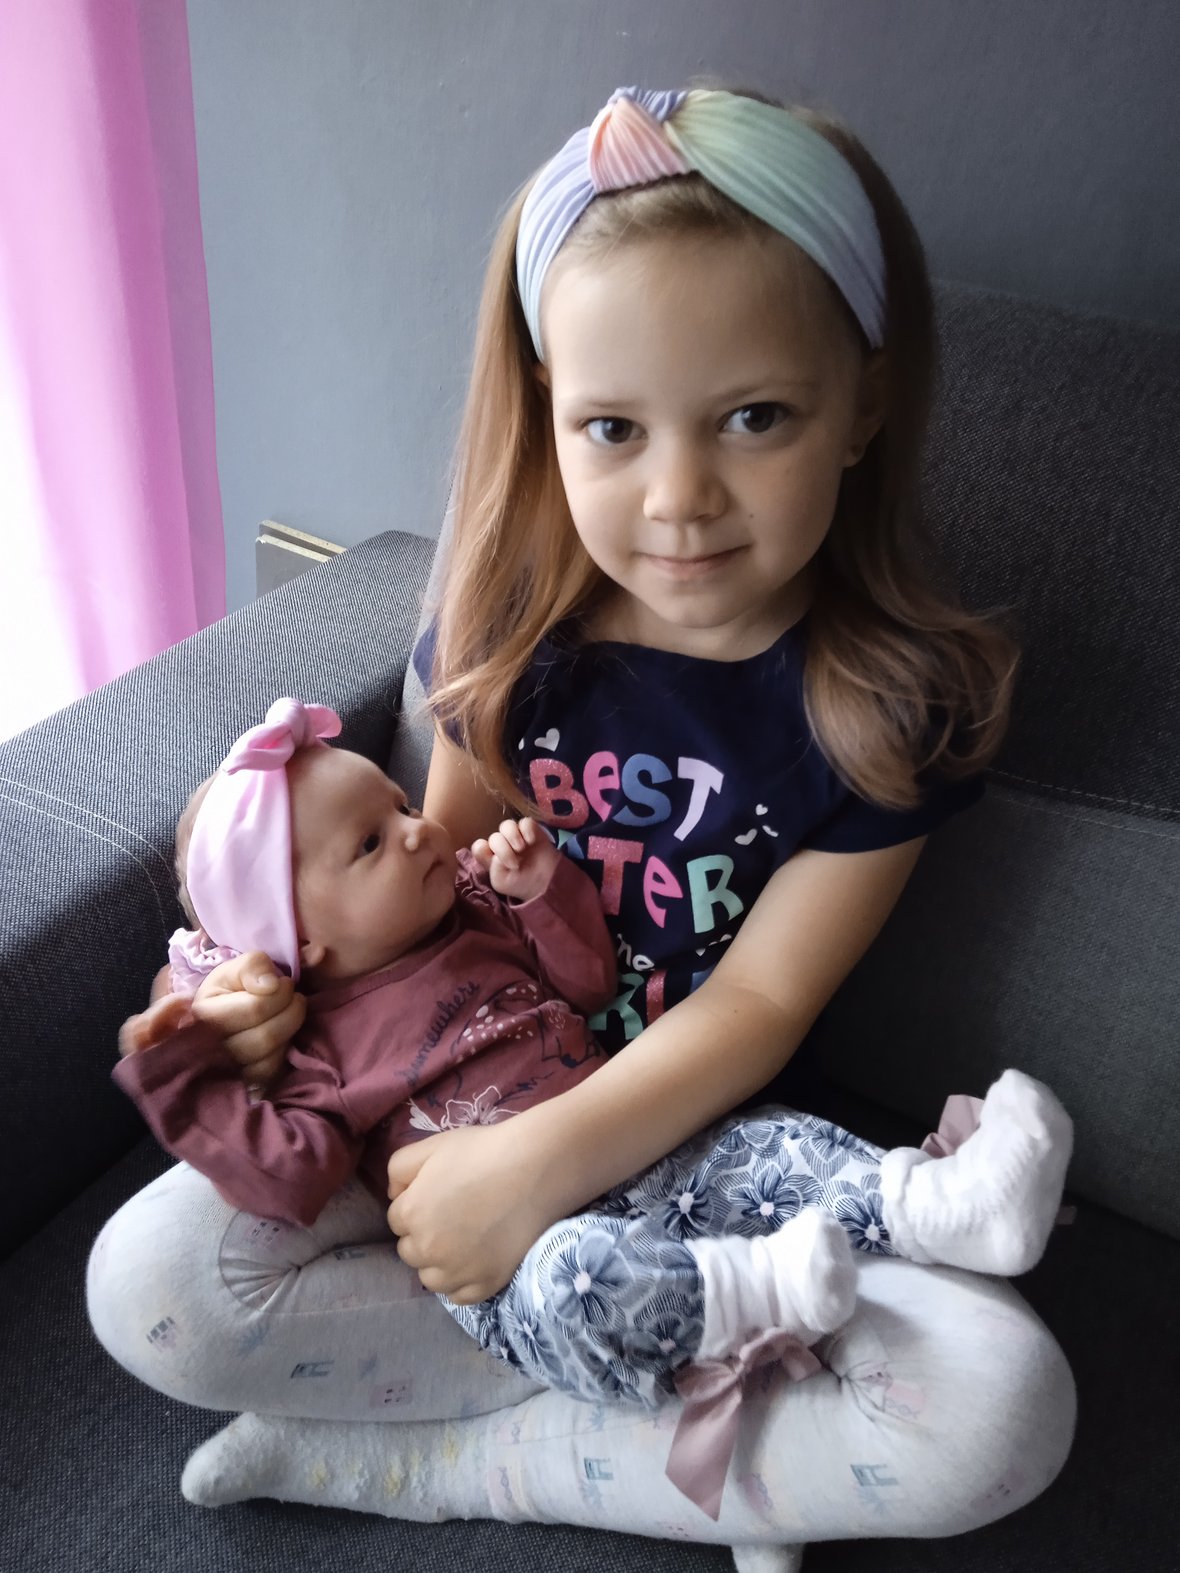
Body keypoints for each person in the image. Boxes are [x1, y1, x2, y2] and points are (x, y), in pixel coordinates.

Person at [87, 85, 1077, 1570]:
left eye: (754, 417)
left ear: (862, 408)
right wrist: (240, 1006)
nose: (679, 499)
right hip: (443, 1134)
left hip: (693, 1147)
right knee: (151, 1280)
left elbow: (756, 1004)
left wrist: (535, 1171)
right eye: (612, 427)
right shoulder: (509, 633)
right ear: (548, 410)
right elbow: (409, 907)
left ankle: (430, 1454)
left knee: (1006, 1403)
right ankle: (685, 1428)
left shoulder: (880, 708)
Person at [114, 694, 1071, 1520]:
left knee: (767, 1146)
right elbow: (289, 1176)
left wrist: (543, 892)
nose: (417, 828)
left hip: (649, 1149)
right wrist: (191, 1071)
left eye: (401, 805)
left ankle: (938, 1201)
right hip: (516, 1253)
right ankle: (752, 1299)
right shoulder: (318, 1050)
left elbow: (587, 981)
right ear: (303, 940)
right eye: (371, 842)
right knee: (577, 1285)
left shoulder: (475, 906)